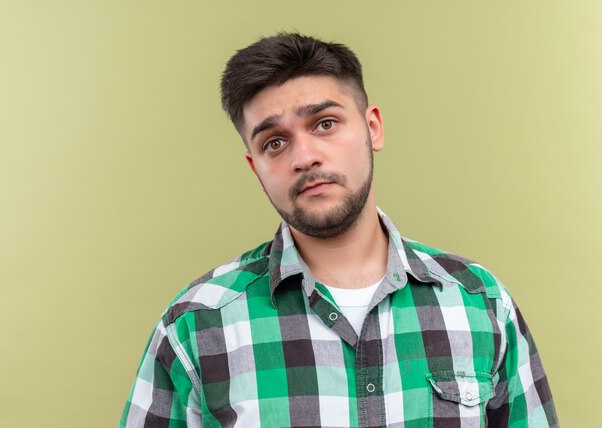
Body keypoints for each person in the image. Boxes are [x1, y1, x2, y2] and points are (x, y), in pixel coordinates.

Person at [120, 33, 558, 427]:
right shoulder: (197, 326)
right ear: (256, 168)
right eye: (275, 142)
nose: (305, 156)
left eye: (324, 124)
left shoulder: (480, 302)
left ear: (372, 128)